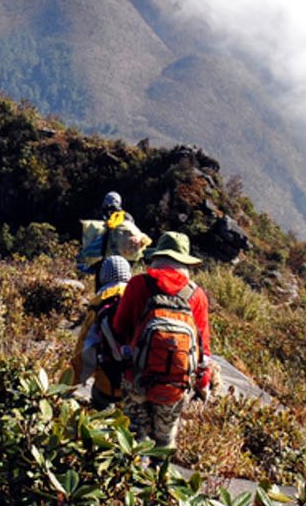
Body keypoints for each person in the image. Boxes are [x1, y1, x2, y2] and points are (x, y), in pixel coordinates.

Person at [110, 231, 212, 450]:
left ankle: (129, 476)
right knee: (164, 441)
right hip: (175, 384)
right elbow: (203, 349)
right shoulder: (197, 296)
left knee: (132, 438)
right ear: (185, 263)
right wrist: (203, 384)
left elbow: (119, 328)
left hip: (136, 376)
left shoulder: (138, 284)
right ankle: (159, 477)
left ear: (157, 257)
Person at [73, 254, 132, 409]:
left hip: (108, 387)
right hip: (138, 385)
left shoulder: (99, 305)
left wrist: (66, 388)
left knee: (100, 401)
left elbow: (85, 352)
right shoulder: (139, 299)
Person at [77, 191, 152, 284]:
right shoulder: (127, 216)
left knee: (102, 286)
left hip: (105, 259)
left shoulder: (106, 213)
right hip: (124, 261)